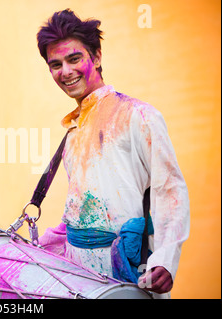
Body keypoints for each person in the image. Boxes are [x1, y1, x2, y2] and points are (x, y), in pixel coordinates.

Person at [36, 9, 190, 297]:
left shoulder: (139, 115)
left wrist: (166, 261)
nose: (65, 72)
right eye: (55, 64)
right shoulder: (73, 130)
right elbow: (82, 211)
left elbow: (170, 190)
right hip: (79, 278)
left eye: (74, 59)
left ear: (96, 57)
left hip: (129, 273)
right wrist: (36, 244)